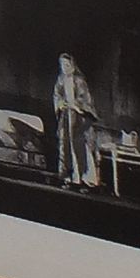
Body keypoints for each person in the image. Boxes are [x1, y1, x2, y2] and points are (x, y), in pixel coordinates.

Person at [52, 52, 100, 189]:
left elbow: (85, 98)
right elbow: (57, 95)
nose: (65, 68)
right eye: (62, 65)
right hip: (66, 117)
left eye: (67, 65)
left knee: (80, 147)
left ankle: (85, 178)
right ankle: (69, 177)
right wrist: (61, 104)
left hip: (79, 118)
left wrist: (76, 105)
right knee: (66, 146)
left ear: (72, 66)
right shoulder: (60, 80)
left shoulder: (79, 81)